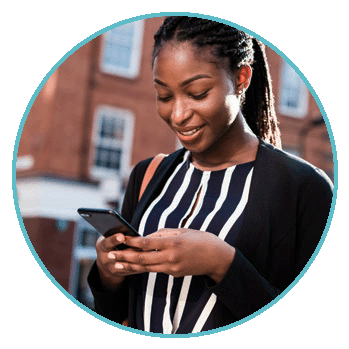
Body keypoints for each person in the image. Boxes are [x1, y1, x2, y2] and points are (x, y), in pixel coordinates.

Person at [88, 16, 333, 334]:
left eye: (198, 93)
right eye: (164, 96)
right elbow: (113, 313)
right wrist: (110, 274)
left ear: (241, 78)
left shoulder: (304, 188)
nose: (178, 115)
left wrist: (222, 263)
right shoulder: (148, 175)